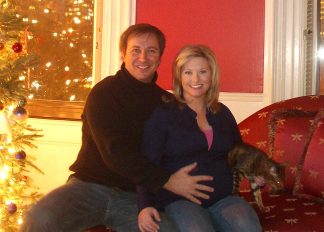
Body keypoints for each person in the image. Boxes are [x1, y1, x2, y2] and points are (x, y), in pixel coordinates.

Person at [19, 24, 214, 232]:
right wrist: (167, 181)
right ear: (123, 54)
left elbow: (183, 149)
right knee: (38, 218)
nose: (143, 58)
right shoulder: (104, 92)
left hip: (135, 196)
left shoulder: (166, 103)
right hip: (89, 188)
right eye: (136, 50)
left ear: (159, 58)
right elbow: (115, 152)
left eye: (151, 51)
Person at [137, 45, 263, 232]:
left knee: (248, 227)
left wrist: (257, 173)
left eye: (202, 72)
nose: (195, 79)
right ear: (179, 76)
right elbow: (147, 164)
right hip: (181, 200)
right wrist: (145, 206)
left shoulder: (223, 113)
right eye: (188, 72)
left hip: (224, 198)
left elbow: (239, 155)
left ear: (212, 75)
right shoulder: (163, 116)